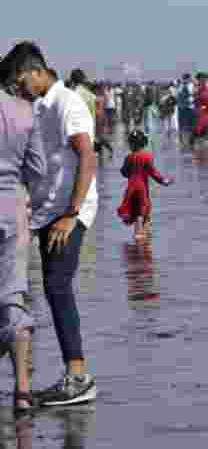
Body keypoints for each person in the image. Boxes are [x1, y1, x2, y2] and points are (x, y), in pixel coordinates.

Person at [6, 42, 98, 406]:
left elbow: (87, 155)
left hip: (68, 213)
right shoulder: (38, 107)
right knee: (47, 287)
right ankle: (71, 374)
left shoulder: (67, 103)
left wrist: (72, 214)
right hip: (45, 211)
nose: (18, 89)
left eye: (20, 81)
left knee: (58, 286)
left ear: (37, 71)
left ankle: (78, 377)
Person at [0, 51, 45, 413]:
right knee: (15, 295)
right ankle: (24, 391)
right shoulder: (24, 113)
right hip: (13, 208)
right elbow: (38, 170)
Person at [117, 129, 173, 240]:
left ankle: (138, 232)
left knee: (136, 210)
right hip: (142, 188)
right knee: (144, 209)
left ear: (130, 144)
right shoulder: (147, 157)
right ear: (144, 143)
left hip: (131, 187)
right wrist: (163, 181)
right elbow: (153, 173)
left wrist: (130, 173)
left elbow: (124, 172)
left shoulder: (128, 158)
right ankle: (143, 233)